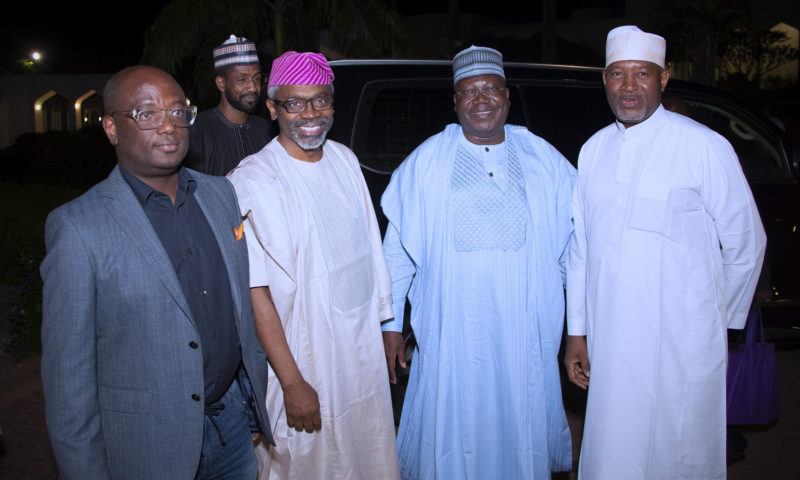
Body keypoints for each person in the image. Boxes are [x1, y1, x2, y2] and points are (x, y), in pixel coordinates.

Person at [40, 65, 273, 480]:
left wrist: (253, 407)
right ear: (111, 128)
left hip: (233, 430)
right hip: (148, 449)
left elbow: (239, 311)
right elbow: (68, 387)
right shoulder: (78, 228)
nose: (169, 126)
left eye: (178, 111)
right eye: (146, 114)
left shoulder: (220, 194)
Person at [565, 26, 766, 479]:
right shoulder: (593, 151)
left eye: (642, 74)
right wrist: (577, 333)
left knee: (680, 454)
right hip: (611, 339)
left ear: (665, 78)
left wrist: (719, 322)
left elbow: (746, 242)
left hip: (682, 342)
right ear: (604, 79)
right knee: (615, 452)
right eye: (618, 74)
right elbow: (580, 250)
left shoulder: (703, 146)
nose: (629, 86)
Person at [381, 45, 575, 479]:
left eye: (490, 89)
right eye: (469, 91)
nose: (481, 99)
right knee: (454, 431)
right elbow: (396, 253)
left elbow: (573, 250)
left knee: (520, 425)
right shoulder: (427, 161)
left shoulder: (544, 159)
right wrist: (390, 326)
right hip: (454, 336)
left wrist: (578, 328)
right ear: (455, 102)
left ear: (507, 97)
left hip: (525, 333)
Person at [227, 51, 400, 479]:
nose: (310, 114)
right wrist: (291, 382)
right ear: (272, 108)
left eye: (321, 101)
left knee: (366, 452)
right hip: (302, 359)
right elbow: (255, 292)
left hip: (358, 355)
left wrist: (382, 326)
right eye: (295, 103)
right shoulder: (252, 181)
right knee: (306, 462)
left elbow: (368, 255)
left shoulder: (343, 159)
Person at [184, 34, 271, 175]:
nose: (253, 88)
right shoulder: (197, 130)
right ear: (221, 83)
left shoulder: (266, 130)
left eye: (257, 78)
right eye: (242, 79)